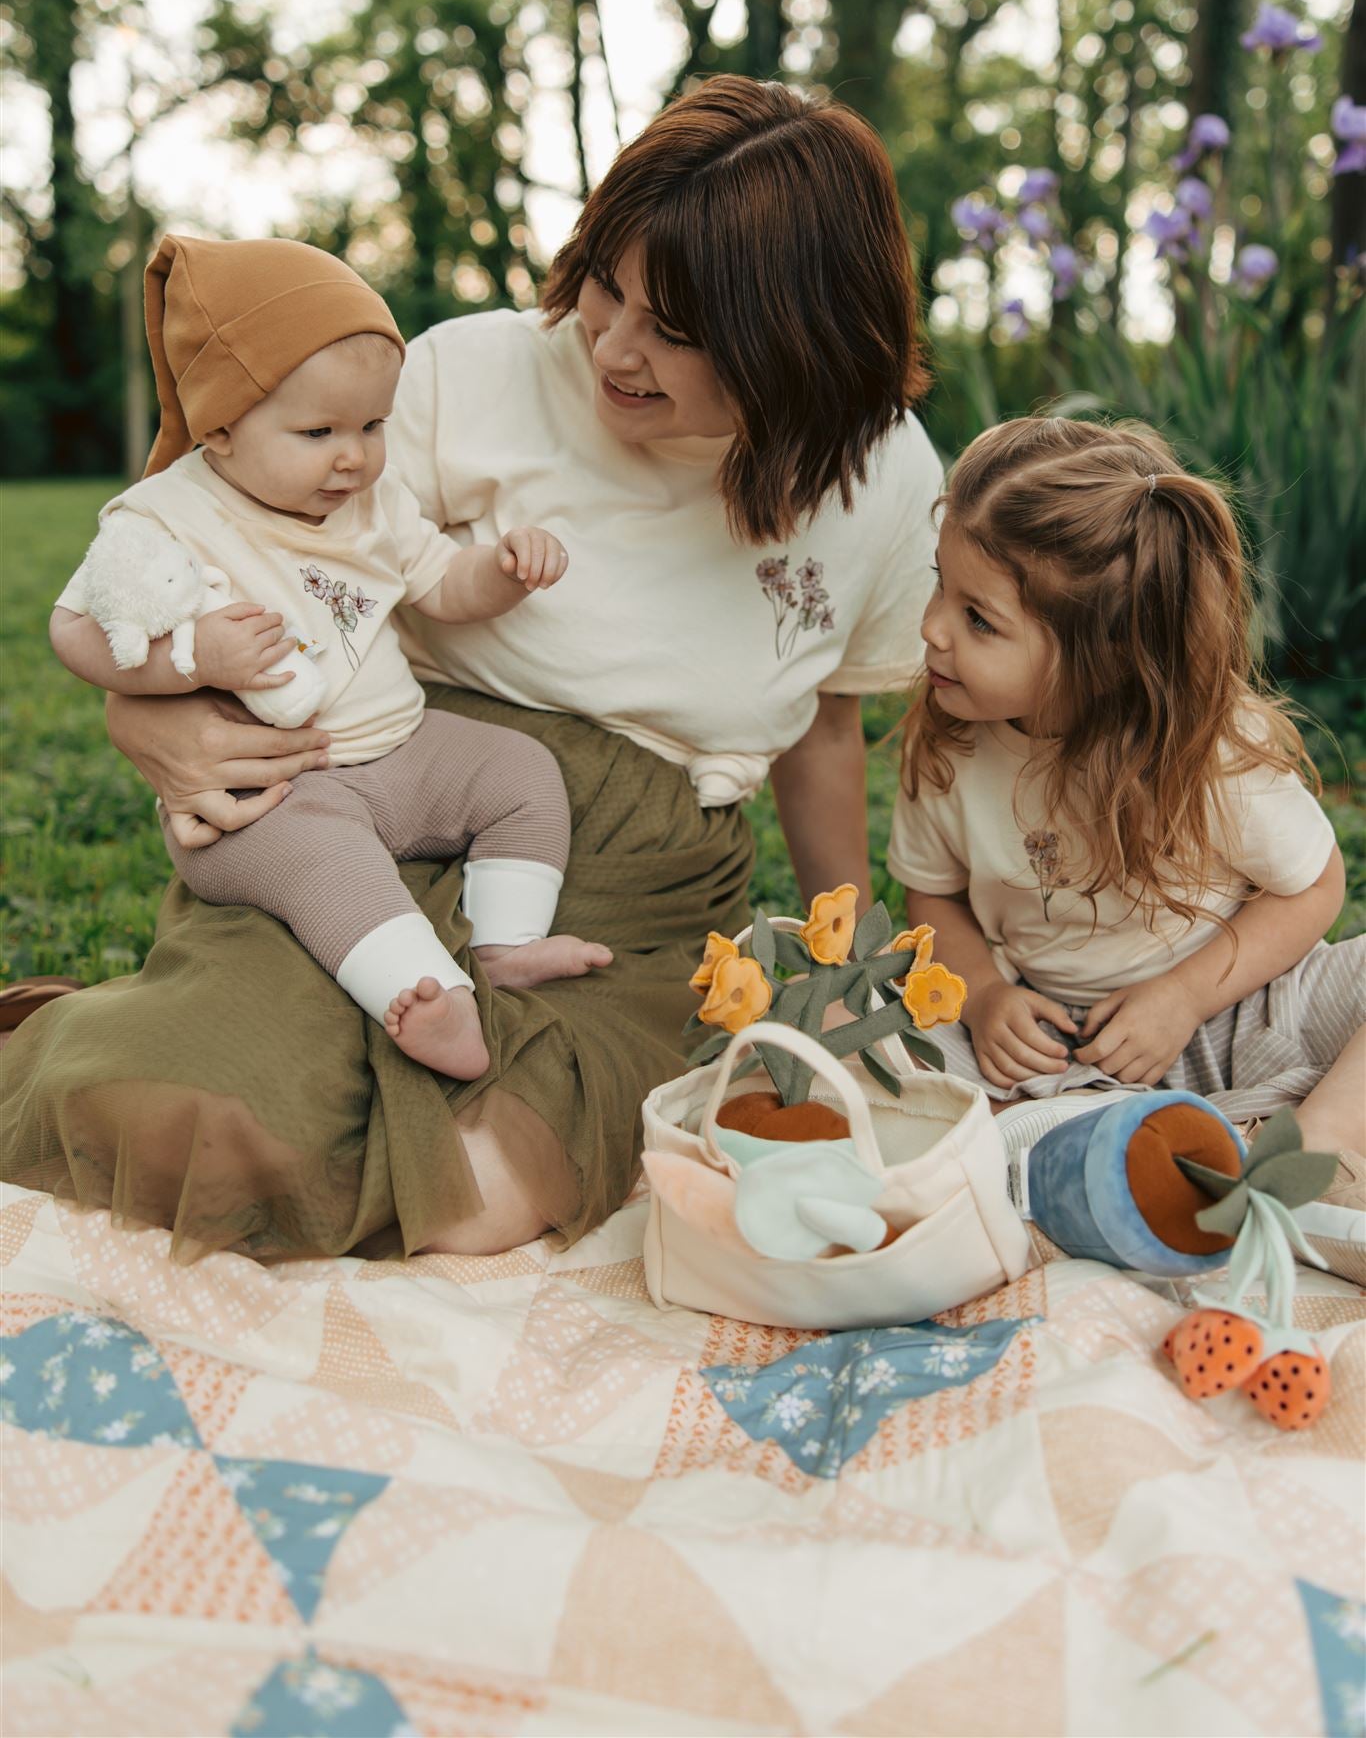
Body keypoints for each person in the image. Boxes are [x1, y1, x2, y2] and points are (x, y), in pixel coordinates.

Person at [3, 75, 943, 1262]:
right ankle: (95, 1036)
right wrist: (155, 720)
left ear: (792, 341)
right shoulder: (469, 375)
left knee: (478, 1191)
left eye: (676, 330)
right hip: (386, 803)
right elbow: (230, 548)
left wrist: (837, 955)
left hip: (636, 891)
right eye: (608, 285)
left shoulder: (886, 477)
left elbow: (822, 733)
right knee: (216, 1128)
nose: (613, 346)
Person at [50, 234, 611, 1083]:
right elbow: (76, 629)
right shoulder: (164, 515)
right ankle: (428, 995)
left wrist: (498, 569)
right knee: (328, 864)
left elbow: (443, 588)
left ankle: (504, 945)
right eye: (319, 431)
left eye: (373, 425)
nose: (354, 455)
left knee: (520, 773)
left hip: (400, 750)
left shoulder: (373, 502)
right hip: (272, 794)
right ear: (223, 428)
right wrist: (193, 658)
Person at [887, 416, 1364, 1272]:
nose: (932, 630)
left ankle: (1316, 1147)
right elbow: (935, 899)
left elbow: (1315, 887)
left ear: (1104, 657)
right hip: (1057, 1052)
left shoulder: (1206, 751)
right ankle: (1158, 1156)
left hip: (1236, 1012)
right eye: (939, 587)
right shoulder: (955, 742)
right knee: (860, 1025)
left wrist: (1182, 996)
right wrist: (987, 996)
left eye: (978, 619)